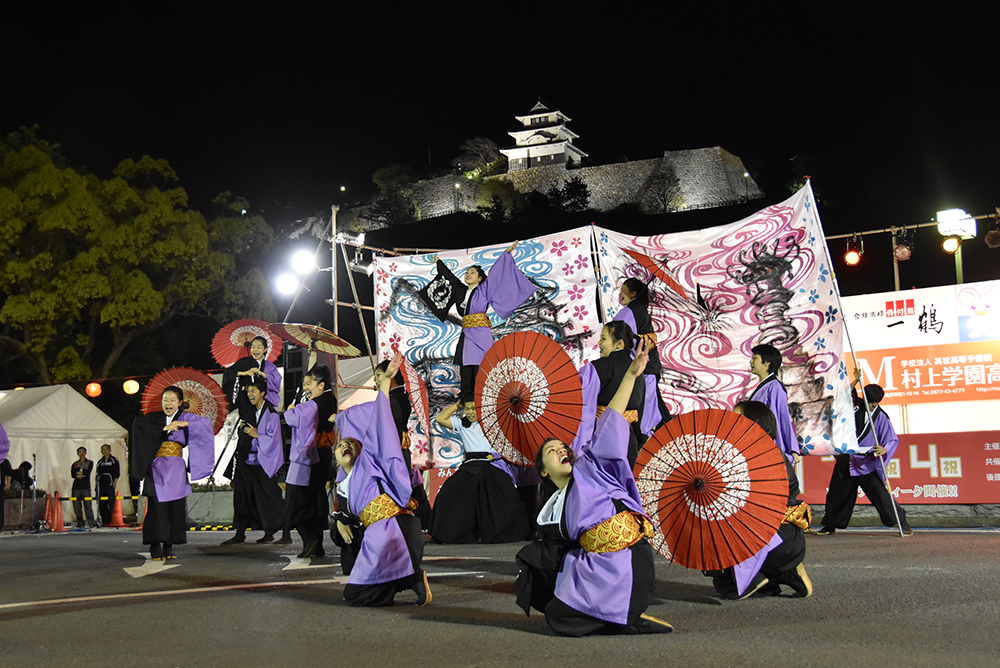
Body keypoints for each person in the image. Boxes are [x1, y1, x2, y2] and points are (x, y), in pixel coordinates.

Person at [514, 340, 673, 636]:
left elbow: (610, 421)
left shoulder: (591, 465)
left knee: (563, 619)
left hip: (627, 561)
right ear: (544, 472)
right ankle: (619, 616)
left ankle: (628, 617)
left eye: (563, 446)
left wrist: (630, 376)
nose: (562, 450)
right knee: (555, 613)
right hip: (597, 567)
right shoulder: (552, 507)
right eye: (552, 451)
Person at [334, 352, 431, 607]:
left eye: (349, 443)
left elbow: (381, 426)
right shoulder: (344, 484)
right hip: (383, 533)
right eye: (339, 445)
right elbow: (340, 517)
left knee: (355, 595)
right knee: (357, 588)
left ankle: (410, 577)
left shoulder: (370, 460)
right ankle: (409, 578)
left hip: (394, 530)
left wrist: (385, 385)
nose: (344, 446)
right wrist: (339, 521)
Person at [705, 401, 813, 599]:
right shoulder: (772, 451)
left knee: (711, 525)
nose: (730, 422)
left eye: (737, 417)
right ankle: (784, 572)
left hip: (768, 538)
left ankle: (751, 579)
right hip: (790, 539)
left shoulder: (748, 457)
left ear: (754, 423)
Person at [418, 242, 536, 397]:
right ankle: (467, 395)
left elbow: (496, 273)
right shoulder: (460, 290)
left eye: (472, 273)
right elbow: (450, 278)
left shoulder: (484, 288)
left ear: (480, 278)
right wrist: (439, 263)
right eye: (467, 272)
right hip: (467, 331)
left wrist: (507, 253)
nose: (468, 274)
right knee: (465, 363)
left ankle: (480, 394)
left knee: (480, 363)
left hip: (481, 331)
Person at [815, 372, 912, 536]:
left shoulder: (880, 416)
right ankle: (830, 526)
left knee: (881, 496)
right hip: (847, 459)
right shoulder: (853, 406)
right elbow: (843, 394)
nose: (873, 406)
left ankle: (902, 523)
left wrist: (885, 449)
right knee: (837, 494)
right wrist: (855, 380)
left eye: (876, 404)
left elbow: (891, 439)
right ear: (863, 398)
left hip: (866, 463)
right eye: (871, 402)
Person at [428, 394, 529, 544]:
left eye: (473, 408)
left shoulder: (494, 423)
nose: (470, 412)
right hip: (471, 466)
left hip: (493, 465)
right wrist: (457, 405)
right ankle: (451, 534)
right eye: (467, 409)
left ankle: (505, 533)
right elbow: (440, 419)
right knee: (449, 493)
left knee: (506, 499)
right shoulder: (462, 423)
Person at [131, 386, 213, 560]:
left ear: (180, 403)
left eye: (172, 400)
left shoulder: (185, 417)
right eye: (165, 400)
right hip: (156, 467)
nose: (168, 403)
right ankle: (155, 546)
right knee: (157, 508)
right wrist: (163, 428)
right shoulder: (153, 418)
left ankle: (168, 546)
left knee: (174, 509)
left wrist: (185, 424)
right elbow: (138, 426)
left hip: (175, 468)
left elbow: (205, 425)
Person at [221, 377, 285, 545]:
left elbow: (275, 439)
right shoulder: (248, 412)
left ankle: (273, 532)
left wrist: (257, 435)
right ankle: (240, 532)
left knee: (267, 499)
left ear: (262, 393)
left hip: (263, 463)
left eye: (253, 391)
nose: (250, 394)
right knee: (241, 497)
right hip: (245, 462)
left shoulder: (271, 413)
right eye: (248, 391)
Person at [284, 364, 336, 557]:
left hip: (309, 457)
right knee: (316, 499)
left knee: (300, 501)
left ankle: (310, 542)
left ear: (320, 385)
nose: (306, 387)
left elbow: (292, 418)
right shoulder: (330, 399)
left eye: (309, 383)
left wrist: (291, 408)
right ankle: (316, 545)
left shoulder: (314, 404)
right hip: (322, 456)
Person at [579, 320, 646, 468]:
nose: (599, 343)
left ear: (619, 344)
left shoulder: (597, 368)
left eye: (603, 338)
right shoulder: (639, 372)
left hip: (602, 437)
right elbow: (640, 409)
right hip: (630, 439)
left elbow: (580, 403)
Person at [374, 358, 431, 530]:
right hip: (398, 448)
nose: (375, 379)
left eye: (378, 375)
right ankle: (425, 523)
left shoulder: (394, 398)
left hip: (394, 449)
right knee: (411, 488)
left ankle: (405, 525)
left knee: (399, 487)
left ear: (390, 375)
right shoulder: (397, 396)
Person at [613, 278, 672, 435]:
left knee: (645, 408)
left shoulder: (629, 312)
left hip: (643, 367)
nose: (620, 294)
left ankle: (646, 437)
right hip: (649, 367)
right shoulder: (640, 310)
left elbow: (618, 334)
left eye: (623, 290)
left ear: (633, 293)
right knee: (651, 406)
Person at [221, 335, 282, 480]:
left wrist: (263, 375)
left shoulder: (269, 366)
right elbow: (228, 374)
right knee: (246, 433)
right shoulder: (244, 362)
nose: (255, 350)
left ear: (265, 349)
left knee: (264, 433)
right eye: (253, 347)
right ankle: (239, 469)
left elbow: (277, 382)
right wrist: (243, 373)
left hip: (262, 406)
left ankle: (267, 466)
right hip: (247, 405)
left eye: (259, 347)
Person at [747, 343, 800, 465]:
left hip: (767, 445)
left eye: (755, 358)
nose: (751, 361)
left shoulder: (774, 387)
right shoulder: (764, 387)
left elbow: (782, 418)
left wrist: (792, 448)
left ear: (767, 363)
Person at [95, 444, 120, 526]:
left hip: (110, 484)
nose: (105, 451)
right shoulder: (100, 462)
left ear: (110, 450)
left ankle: (112, 520)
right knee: (102, 503)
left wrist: (114, 483)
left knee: (111, 502)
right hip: (101, 485)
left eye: (106, 449)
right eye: (103, 449)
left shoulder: (114, 460)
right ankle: (105, 520)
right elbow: (98, 473)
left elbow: (117, 473)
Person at [70, 447, 96, 528]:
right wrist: (81, 473)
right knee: (77, 506)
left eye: (83, 452)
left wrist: (80, 473)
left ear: (85, 453)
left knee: (88, 505)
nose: (81, 453)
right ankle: (80, 521)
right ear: (78, 453)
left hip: (86, 487)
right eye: (80, 452)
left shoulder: (89, 462)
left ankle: (91, 521)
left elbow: (87, 473)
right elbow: (73, 475)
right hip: (76, 487)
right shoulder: (75, 464)